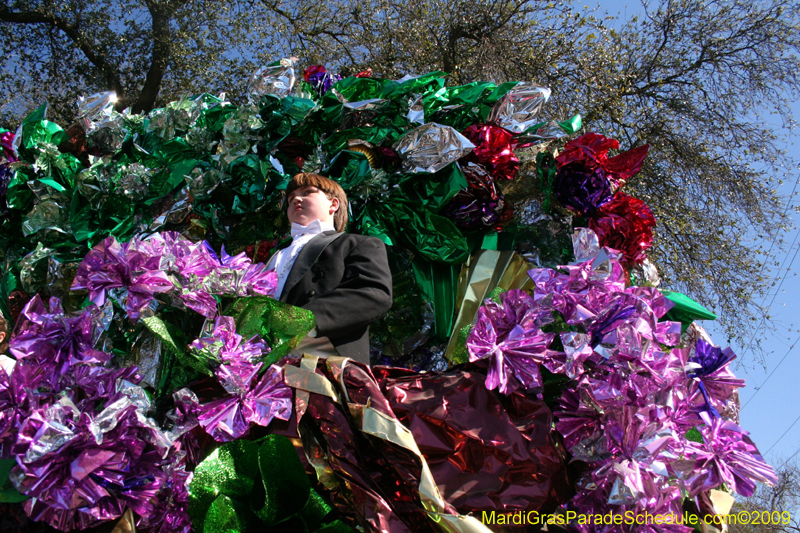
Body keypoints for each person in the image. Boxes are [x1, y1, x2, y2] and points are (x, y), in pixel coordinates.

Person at [267, 172, 392, 365]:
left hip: (323, 359)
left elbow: (372, 293)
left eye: (308, 192)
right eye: (291, 198)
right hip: (264, 362)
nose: (296, 199)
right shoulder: (274, 256)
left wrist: (302, 320)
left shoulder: (358, 243)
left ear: (333, 204)